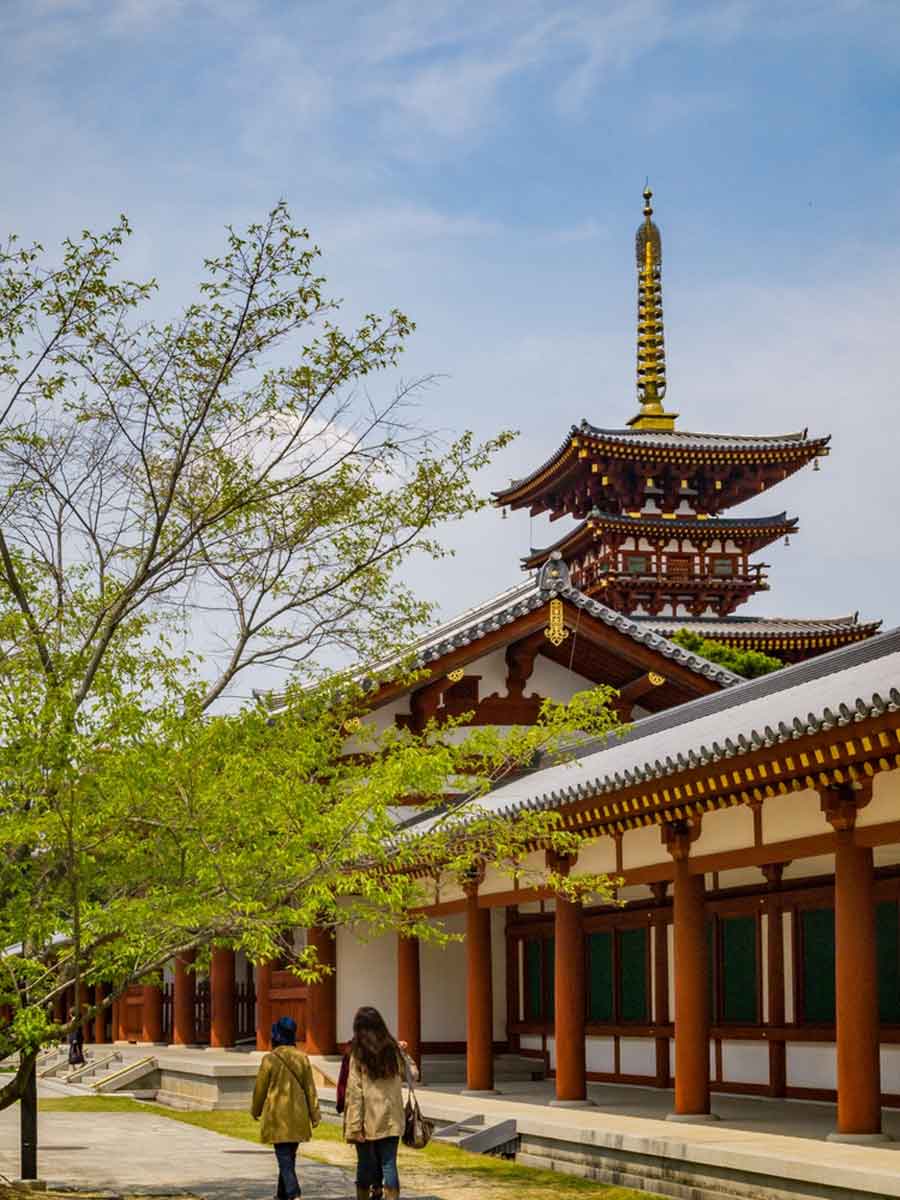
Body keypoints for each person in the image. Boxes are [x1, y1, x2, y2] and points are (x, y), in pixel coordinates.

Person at [342, 1006, 416, 1200]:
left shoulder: (357, 1054)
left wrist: (355, 1126)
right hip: (392, 1117)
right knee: (389, 1162)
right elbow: (413, 1075)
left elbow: (355, 1092)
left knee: (364, 1165)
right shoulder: (393, 1049)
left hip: (368, 1119)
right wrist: (404, 1053)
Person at [251, 1015, 321, 1200]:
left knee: (284, 1158)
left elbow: (260, 1089)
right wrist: (315, 1115)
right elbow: (310, 1089)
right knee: (289, 1157)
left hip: (278, 1116)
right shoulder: (302, 1058)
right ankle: (281, 1195)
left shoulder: (269, 1059)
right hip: (298, 1115)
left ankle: (293, 1193)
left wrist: (255, 1110)